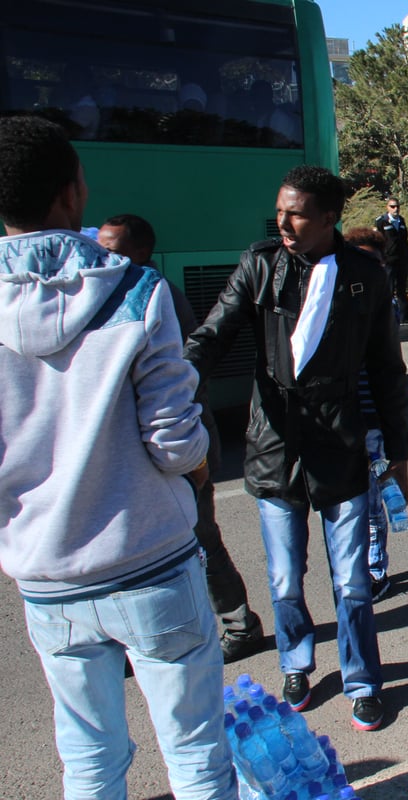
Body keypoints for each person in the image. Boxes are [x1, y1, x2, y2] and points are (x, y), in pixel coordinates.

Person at [0, 116, 235, 798]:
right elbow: (175, 441)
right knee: (195, 756)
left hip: (47, 579)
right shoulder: (133, 290)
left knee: (89, 760)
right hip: (150, 562)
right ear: (72, 194)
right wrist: (193, 469)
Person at [185, 165, 408, 732]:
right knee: (285, 580)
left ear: (330, 217)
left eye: (298, 214)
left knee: (354, 583)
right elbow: (213, 335)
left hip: (342, 446)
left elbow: (386, 368)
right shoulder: (260, 263)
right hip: (273, 445)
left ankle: (362, 681)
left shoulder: (364, 275)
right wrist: (173, 381)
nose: (284, 222)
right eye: (280, 211)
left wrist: (399, 456)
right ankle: (295, 662)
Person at [96, 214, 266, 659]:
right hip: (140, 445)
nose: (102, 257)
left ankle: (239, 624)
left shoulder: (154, 296)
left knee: (200, 536)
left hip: (183, 440)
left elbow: (183, 380)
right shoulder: (113, 292)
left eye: (112, 249)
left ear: (140, 253)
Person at [341, 226, 402, 603]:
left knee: (370, 502)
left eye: (376, 263)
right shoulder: (327, 299)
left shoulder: (387, 307)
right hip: (335, 423)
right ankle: (350, 568)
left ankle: (375, 571)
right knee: (342, 506)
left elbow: (391, 371)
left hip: (372, 423)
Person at [375, 196, 408, 323]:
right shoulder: (382, 221)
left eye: (397, 206)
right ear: (387, 207)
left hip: (401, 260)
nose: (395, 209)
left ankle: (405, 316)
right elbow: (378, 241)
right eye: (392, 206)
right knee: (389, 289)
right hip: (388, 261)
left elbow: (404, 240)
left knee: (402, 290)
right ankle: (389, 317)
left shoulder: (401, 221)